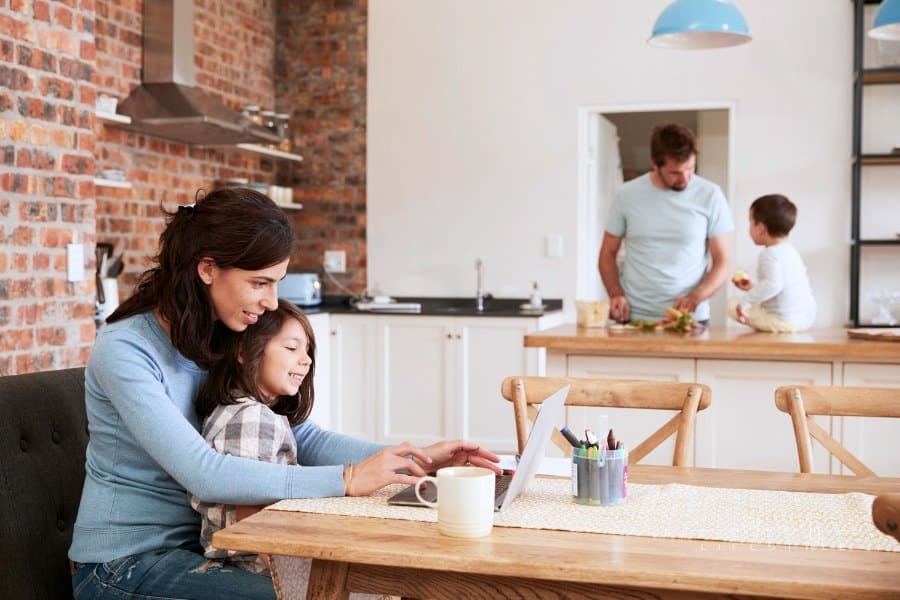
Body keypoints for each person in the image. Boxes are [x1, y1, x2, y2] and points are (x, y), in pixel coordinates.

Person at [69, 187, 500, 600]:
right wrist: (346, 480)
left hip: (208, 548)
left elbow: (301, 436)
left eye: (276, 283)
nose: (273, 302)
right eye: (260, 283)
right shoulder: (125, 350)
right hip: (124, 566)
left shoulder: (219, 334)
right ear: (207, 269)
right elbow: (203, 473)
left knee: (386, 582)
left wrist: (414, 460)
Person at [190, 300, 319, 575]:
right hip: (252, 564)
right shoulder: (251, 417)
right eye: (291, 347)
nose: (306, 359)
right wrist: (291, 579)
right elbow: (250, 509)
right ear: (244, 352)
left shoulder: (242, 411)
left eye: (307, 350)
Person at [598, 123, 734, 325]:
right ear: (655, 164)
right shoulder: (627, 195)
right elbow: (607, 253)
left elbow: (723, 260)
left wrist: (697, 296)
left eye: (690, 168)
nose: (685, 178)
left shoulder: (711, 195)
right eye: (675, 173)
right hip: (635, 317)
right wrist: (615, 294)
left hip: (689, 320)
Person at [728, 194, 816, 332]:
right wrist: (752, 287)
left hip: (783, 322)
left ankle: (771, 328)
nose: (749, 228)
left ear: (760, 228)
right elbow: (777, 286)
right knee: (757, 302)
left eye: (750, 222)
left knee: (732, 304)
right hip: (804, 319)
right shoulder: (790, 251)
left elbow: (774, 284)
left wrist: (745, 302)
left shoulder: (769, 254)